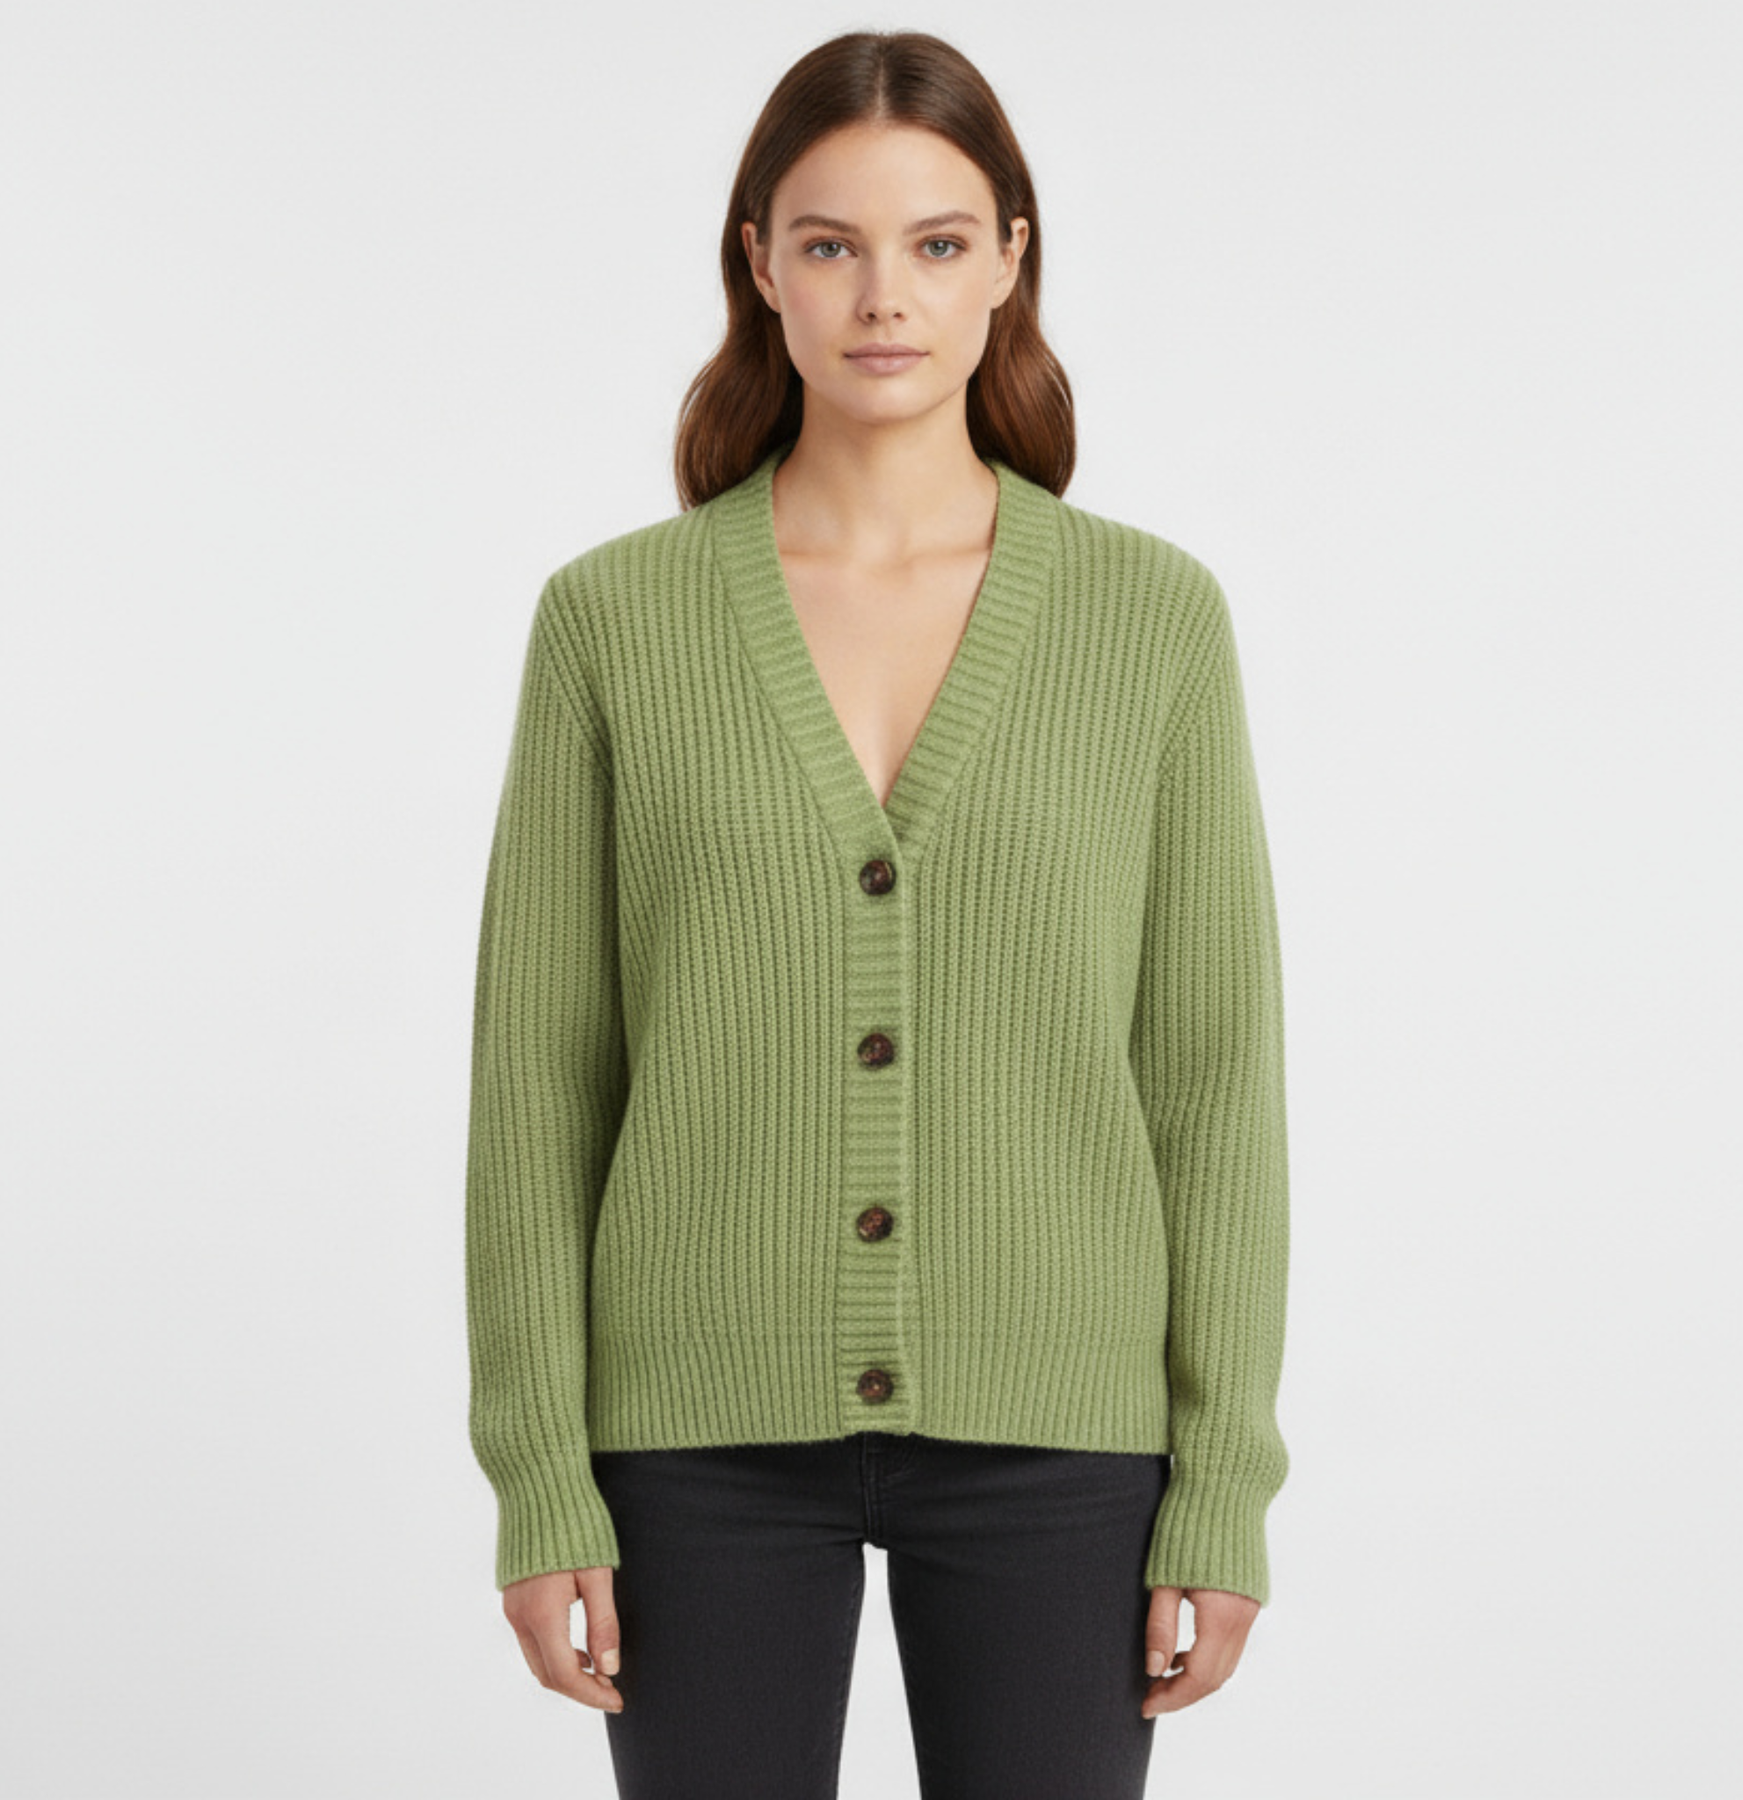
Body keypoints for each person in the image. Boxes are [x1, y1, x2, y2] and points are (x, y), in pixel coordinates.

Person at [464, 28, 1291, 1800]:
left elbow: (1213, 1081)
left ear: (1009, 260)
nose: (883, 296)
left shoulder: (1152, 623)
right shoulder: (614, 624)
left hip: (1062, 1429)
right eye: (830, 243)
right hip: (692, 1434)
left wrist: (1223, 1480)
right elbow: (540, 1080)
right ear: (760, 266)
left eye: (936, 241)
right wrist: (540, 1475)